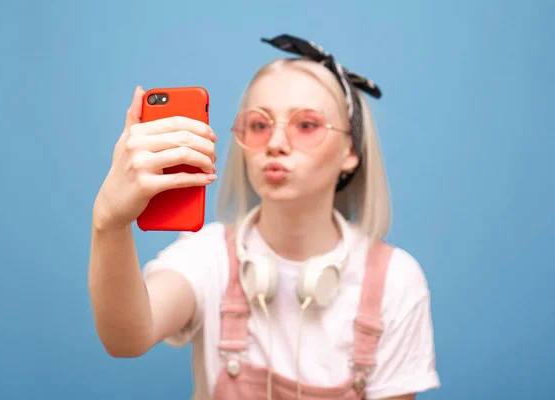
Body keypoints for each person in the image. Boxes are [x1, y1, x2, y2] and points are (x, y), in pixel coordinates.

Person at [89, 34, 440, 400]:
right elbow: (126, 338)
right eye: (259, 125)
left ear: (350, 151)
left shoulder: (396, 282)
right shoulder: (207, 256)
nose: (275, 143)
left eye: (306, 125)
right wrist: (109, 224)